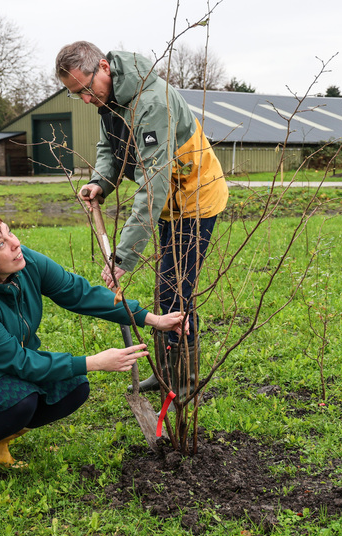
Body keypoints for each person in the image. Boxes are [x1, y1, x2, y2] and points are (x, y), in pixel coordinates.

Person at [0, 213, 186, 494]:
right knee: (19, 401)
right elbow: (19, 361)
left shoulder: (24, 263)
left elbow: (77, 292)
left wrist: (152, 319)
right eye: (1, 244)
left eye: (9, 232)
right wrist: (95, 362)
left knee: (73, 387)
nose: (15, 243)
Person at [55, 41, 229, 397]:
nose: (85, 99)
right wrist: (100, 182)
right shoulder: (109, 99)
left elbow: (153, 184)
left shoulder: (150, 104)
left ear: (104, 67)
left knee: (176, 291)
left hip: (194, 198)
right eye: (76, 94)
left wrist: (124, 256)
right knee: (166, 287)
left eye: (85, 89)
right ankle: (165, 373)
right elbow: (110, 148)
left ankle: (184, 384)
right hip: (169, 202)